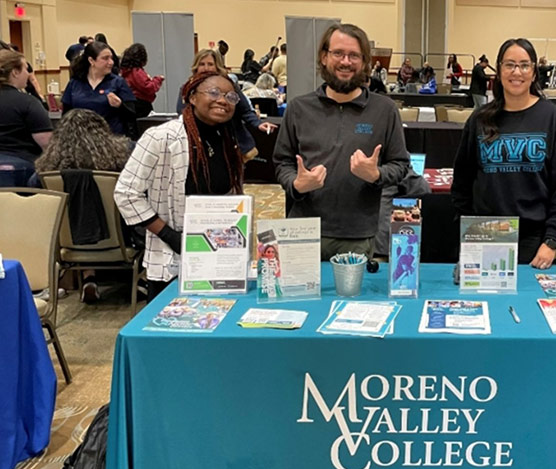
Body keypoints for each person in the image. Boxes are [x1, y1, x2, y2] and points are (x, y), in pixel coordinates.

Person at [273, 23, 412, 260]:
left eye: (354, 55)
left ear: (365, 62)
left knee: (349, 297)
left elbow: (400, 165)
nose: (345, 61)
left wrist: (376, 175)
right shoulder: (298, 108)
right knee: (299, 297)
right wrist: (296, 184)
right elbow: (281, 163)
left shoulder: (385, 110)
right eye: (338, 53)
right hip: (303, 230)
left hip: (357, 235)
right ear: (324, 57)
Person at [115, 71, 245, 301]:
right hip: (172, 258)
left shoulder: (226, 140)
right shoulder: (161, 137)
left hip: (218, 257)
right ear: (192, 97)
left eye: (231, 97)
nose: (223, 100)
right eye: (214, 93)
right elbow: (126, 193)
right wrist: (169, 235)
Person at [452, 38, 556, 268]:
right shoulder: (479, 119)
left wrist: (551, 241)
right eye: (509, 64)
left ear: (534, 72)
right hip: (484, 235)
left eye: (524, 65)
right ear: (499, 71)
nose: (516, 72)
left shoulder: (555, 120)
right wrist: (468, 229)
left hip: (535, 240)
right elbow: (462, 180)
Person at [36, 108, 133, 302]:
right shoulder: (121, 159)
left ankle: (89, 277)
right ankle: (140, 280)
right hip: (119, 241)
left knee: (75, 215)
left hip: (69, 244)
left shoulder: (48, 170)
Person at [180, 49, 277, 160]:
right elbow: (182, 113)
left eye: (210, 64)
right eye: (202, 64)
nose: (206, 68)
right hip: (199, 142)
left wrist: (258, 124)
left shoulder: (229, 85)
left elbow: (244, 109)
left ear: (217, 67)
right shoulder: (187, 88)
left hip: (229, 141)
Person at [0, 49, 52, 187]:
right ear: (15, 72)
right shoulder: (28, 103)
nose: (28, 74)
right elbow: (47, 143)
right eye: (25, 68)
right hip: (21, 168)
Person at [62, 41, 137, 138]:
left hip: (111, 140)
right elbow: (66, 115)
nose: (111, 62)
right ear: (91, 60)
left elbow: (132, 115)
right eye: (105, 58)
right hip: (81, 139)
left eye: (111, 58)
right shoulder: (75, 83)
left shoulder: (118, 82)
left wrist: (120, 106)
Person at [120, 43, 164, 118]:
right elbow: (148, 87)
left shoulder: (125, 71)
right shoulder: (136, 72)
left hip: (131, 104)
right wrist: (158, 79)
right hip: (141, 106)